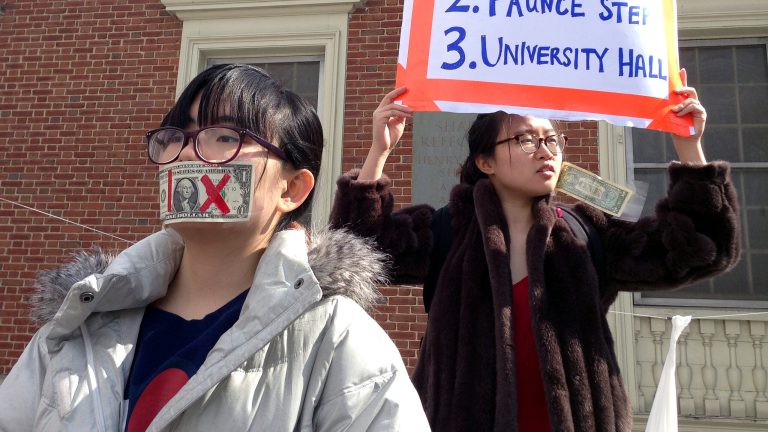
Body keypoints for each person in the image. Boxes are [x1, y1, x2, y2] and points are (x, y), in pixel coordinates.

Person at [0, 64, 430, 432]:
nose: (187, 153)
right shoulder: (78, 326)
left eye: (223, 137)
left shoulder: (337, 338)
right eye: (176, 136)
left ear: (292, 189)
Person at [330, 82, 741, 432]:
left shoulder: (586, 233)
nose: (545, 150)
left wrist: (690, 149)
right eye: (525, 139)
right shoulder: (448, 230)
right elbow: (358, 247)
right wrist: (378, 152)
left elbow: (700, 250)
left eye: (551, 139)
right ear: (484, 161)